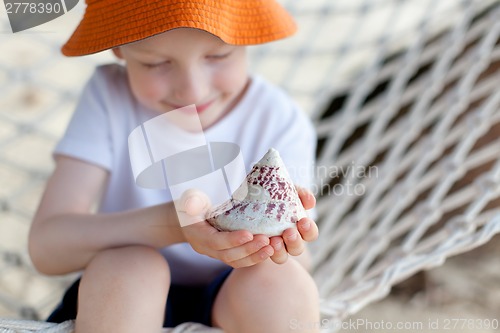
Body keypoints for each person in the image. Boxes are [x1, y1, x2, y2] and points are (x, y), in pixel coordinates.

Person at [28, 1, 320, 332]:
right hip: (120, 303)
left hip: (238, 298)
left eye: (218, 56)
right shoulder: (109, 96)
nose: (193, 90)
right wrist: (173, 225)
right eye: (156, 63)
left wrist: (280, 241)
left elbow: (301, 260)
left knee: (279, 281)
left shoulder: (279, 118)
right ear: (119, 50)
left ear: (247, 38)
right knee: (131, 267)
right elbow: (46, 247)